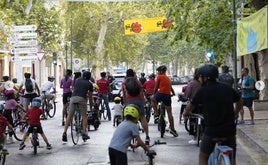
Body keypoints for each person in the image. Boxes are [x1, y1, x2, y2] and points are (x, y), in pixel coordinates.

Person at [184, 64, 243, 165]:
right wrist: (236, 113)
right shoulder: (227, 88)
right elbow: (240, 101)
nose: (199, 79)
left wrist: (187, 113)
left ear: (205, 78)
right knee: (232, 156)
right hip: (229, 130)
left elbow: (190, 106)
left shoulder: (202, 91)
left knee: (203, 156)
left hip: (212, 131)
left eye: (200, 77)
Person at [62, 71, 93, 142]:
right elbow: (90, 98)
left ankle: (64, 132)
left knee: (69, 116)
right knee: (84, 116)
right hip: (82, 99)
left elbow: (75, 89)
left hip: (73, 98)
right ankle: (84, 133)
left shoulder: (77, 80)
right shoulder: (90, 84)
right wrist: (91, 108)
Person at [122, 69, 150, 145]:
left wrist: (125, 104)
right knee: (142, 118)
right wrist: (143, 101)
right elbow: (141, 92)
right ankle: (147, 136)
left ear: (127, 74)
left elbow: (124, 94)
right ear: (133, 74)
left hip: (129, 102)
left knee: (127, 119)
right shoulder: (137, 81)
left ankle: (126, 137)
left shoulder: (124, 82)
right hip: (138, 101)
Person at [150, 65, 178, 137]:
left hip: (161, 94)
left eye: (158, 71)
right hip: (167, 96)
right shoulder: (168, 78)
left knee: (152, 99)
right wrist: (173, 93)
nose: (158, 73)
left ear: (161, 71)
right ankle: (172, 129)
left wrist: (153, 94)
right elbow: (170, 87)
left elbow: (156, 87)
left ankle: (156, 113)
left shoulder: (159, 77)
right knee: (169, 113)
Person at [183, 68, 201, 145]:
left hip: (194, 105)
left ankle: (194, 137)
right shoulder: (205, 84)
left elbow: (187, 94)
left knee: (191, 119)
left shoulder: (192, 83)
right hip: (204, 105)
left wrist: (185, 97)